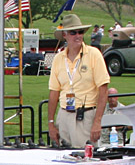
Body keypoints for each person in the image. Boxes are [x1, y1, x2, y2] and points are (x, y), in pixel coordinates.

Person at [47, 13, 110, 149]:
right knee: (61, 156)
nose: (78, 35)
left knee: (84, 158)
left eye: (80, 32)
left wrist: (97, 121)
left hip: (85, 115)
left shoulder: (94, 54)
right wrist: (51, 123)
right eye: (73, 32)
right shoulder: (58, 58)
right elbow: (53, 92)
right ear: (65, 35)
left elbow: (103, 90)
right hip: (64, 115)